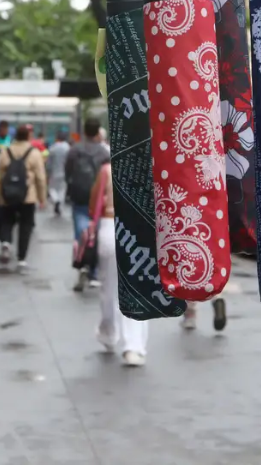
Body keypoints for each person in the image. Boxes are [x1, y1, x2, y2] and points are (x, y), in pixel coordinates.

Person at [92, 160, 149, 366]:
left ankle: (108, 332)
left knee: (109, 288)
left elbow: (94, 204)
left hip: (110, 225)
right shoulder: (149, 166)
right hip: (139, 228)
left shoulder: (107, 170)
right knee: (137, 288)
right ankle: (133, 346)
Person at [65, 119, 110, 289]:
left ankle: (81, 262)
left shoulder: (75, 150)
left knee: (80, 231)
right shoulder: (104, 153)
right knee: (96, 232)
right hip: (98, 198)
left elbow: (68, 171)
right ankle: (93, 272)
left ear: (84, 131)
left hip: (79, 195)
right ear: (98, 132)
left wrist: (71, 187)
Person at [0, 125, 47, 268]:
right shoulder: (34, 153)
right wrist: (42, 198)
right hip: (28, 196)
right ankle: (21, 257)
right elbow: (40, 178)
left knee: (7, 220)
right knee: (26, 225)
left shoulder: (6, 151)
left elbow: (0, 176)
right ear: (29, 136)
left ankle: (6, 242)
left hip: (8, 193)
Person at [45, 132, 70, 216]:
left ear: (57, 138)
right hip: (65, 173)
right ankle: (59, 204)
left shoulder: (53, 148)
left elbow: (49, 163)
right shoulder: (68, 148)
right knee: (62, 190)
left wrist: (47, 172)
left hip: (54, 172)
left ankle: (55, 200)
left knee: (51, 188)